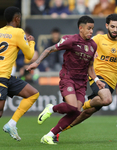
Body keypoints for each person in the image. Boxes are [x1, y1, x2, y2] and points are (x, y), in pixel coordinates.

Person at [51, 13, 117, 142]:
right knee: (107, 99)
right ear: (107, 26)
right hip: (97, 77)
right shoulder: (97, 39)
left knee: (87, 113)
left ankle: (56, 132)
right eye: (112, 26)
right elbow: (83, 47)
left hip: (111, 82)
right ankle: (82, 105)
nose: (115, 30)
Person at [26, 15, 105, 145]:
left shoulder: (93, 45)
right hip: (68, 78)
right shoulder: (71, 40)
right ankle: (51, 109)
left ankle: (49, 135)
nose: (91, 31)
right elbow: (49, 49)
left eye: (92, 29)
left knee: (76, 112)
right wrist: (37, 62)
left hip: (82, 82)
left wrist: (96, 80)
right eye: (89, 28)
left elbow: (90, 67)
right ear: (81, 28)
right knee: (73, 107)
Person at [0, 6, 39, 141]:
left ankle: (12, 124)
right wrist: (32, 42)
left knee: (33, 94)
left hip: (4, 76)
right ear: (17, 19)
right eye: (20, 18)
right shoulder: (18, 32)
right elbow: (29, 56)